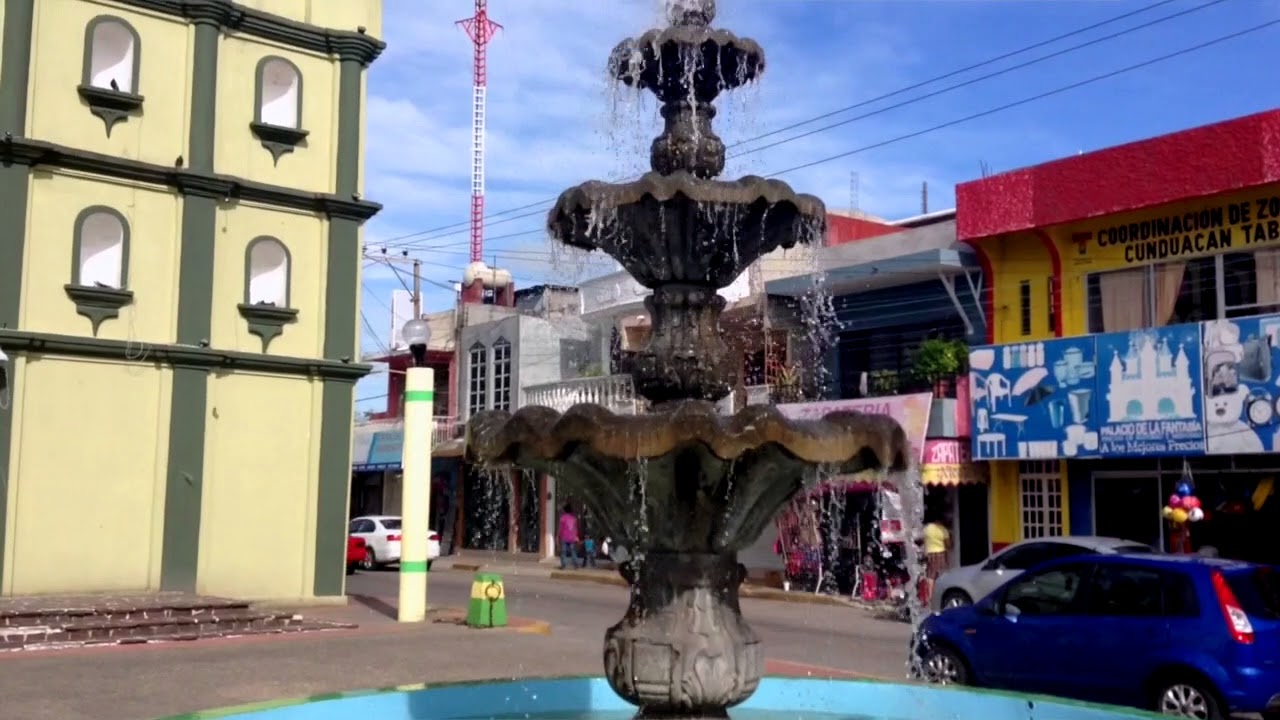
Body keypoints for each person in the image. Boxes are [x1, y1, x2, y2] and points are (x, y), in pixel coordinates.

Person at [922, 511, 952, 603]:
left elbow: (922, 540)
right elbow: (948, 545)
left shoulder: (926, 529)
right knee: (942, 575)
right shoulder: (943, 530)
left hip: (929, 554)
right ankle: (941, 596)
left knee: (930, 576)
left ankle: (930, 596)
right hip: (940, 554)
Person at [558, 503, 581, 569]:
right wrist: (576, 536)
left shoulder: (562, 518)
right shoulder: (574, 519)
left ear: (564, 510)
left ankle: (563, 565)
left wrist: (558, 536)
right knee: (573, 551)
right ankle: (576, 565)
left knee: (563, 552)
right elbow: (575, 529)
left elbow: (560, 528)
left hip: (564, 537)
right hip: (572, 538)